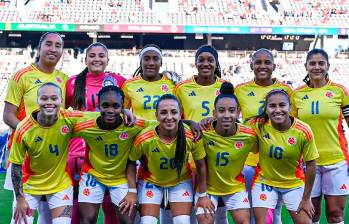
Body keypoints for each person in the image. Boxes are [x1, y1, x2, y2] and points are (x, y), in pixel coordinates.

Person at [3, 32, 68, 224]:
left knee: (48, 219)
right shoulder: (22, 75)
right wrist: (30, 135)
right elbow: (8, 115)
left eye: (58, 45)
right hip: (24, 157)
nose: (53, 49)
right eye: (49, 44)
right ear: (39, 48)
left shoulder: (64, 79)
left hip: (53, 160)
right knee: (23, 218)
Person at [127, 94, 214, 224]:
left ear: (180, 114)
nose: (169, 117)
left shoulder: (192, 135)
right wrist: (132, 191)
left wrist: (203, 195)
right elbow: (131, 161)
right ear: (156, 115)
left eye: (174, 112)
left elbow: (201, 165)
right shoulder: (144, 138)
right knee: (147, 222)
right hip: (151, 180)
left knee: (182, 221)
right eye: (163, 112)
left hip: (181, 180)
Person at [65, 42, 126, 224]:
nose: (97, 59)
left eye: (101, 55)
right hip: (78, 154)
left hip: (109, 155)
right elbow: (62, 115)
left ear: (108, 59)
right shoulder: (73, 83)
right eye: (92, 55)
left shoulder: (120, 81)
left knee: (111, 209)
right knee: (80, 210)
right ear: (85, 59)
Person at [72, 85, 152, 224]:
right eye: (105, 105)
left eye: (116, 106)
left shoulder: (133, 124)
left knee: (127, 221)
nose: (110, 110)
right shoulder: (85, 123)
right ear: (98, 105)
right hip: (93, 174)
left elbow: (161, 124)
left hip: (121, 176)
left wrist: (189, 123)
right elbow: (61, 118)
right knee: (87, 219)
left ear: (122, 107)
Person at [291, 48, 349, 224]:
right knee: (311, 214)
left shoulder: (340, 91)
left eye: (321, 63)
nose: (317, 67)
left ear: (328, 66)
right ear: (306, 66)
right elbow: (292, 128)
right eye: (312, 63)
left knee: (335, 214)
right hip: (308, 163)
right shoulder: (297, 94)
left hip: (336, 160)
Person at [9, 82, 81, 224]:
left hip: (60, 184)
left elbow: (98, 116)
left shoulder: (69, 118)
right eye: (44, 98)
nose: (49, 102)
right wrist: (19, 198)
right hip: (29, 186)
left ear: (61, 100)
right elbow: (16, 165)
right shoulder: (24, 128)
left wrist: (124, 111)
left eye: (54, 98)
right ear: (37, 100)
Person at [234, 48, 292, 223]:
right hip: (249, 161)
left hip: (277, 161)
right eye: (258, 62)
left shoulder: (286, 90)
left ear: (274, 66)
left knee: (274, 213)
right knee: (252, 212)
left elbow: (292, 124)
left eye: (267, 62)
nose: (262, 66)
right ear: (251, 65)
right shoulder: (241, 90)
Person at [174, 45, 226, 223]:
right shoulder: (182, 88)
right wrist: (190, 123)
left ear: (216, 63)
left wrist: (215, 119)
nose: (206, 63)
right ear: (195, 62)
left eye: (210, 60)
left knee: (218, 208)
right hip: (189, 153)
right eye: (201, 60)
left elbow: (233, 118)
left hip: (217, 153)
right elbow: (174, 119)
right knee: (186, 205)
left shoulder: (226, 87)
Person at [250, 89, 318, 224]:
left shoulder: (303, 130)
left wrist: (306, 198)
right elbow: (232, 129)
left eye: (282, 105)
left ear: (290, 107)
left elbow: (311, 164)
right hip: (265, 182)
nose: (277, 110)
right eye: (272, 106)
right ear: (266, 108)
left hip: (293, 183)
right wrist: (211, 121)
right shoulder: (258, 125)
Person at [197, 82, 257, 224]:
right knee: (205, 222)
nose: (226, 115)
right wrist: (202, 194)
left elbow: (262, 148)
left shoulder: (249, 135)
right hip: (208, 189)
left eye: (231, 110)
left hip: (235, 187)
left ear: (238, 112)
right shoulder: (203, 132)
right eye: (221, 110)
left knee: (244, 222)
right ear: (214, 113)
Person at [121, 44, 176, 120]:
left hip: (165, 131)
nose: (151, 63)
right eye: (146, 59)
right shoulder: (129, 85)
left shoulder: (172, 83)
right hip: (139, 131)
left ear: (161, 63)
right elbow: (122, 111)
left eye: (155, 59)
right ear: (141, 62)